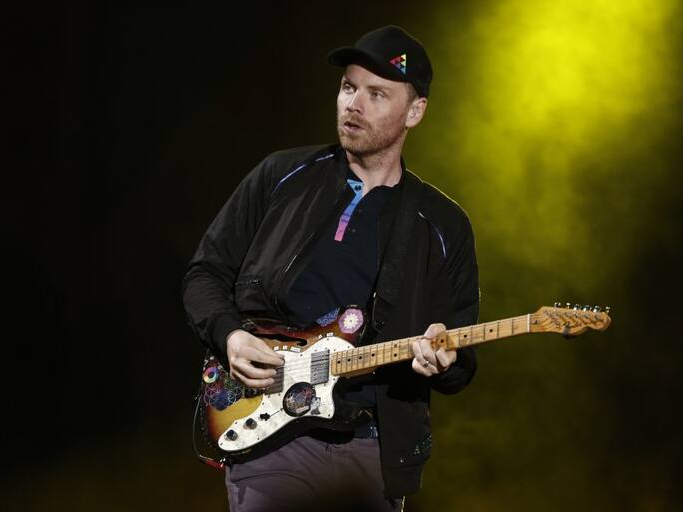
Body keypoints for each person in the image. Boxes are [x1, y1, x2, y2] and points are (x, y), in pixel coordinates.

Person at [182, 25, 480, 511]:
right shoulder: (282, 175)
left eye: (376, 94)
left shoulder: (443, 225)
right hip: (269, 435)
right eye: (348, 87)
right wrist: (230, 335)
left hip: (372, 447)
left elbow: (460, 354)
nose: (353, 104)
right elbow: (205, 274)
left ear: (415, 111)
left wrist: (445, 359)